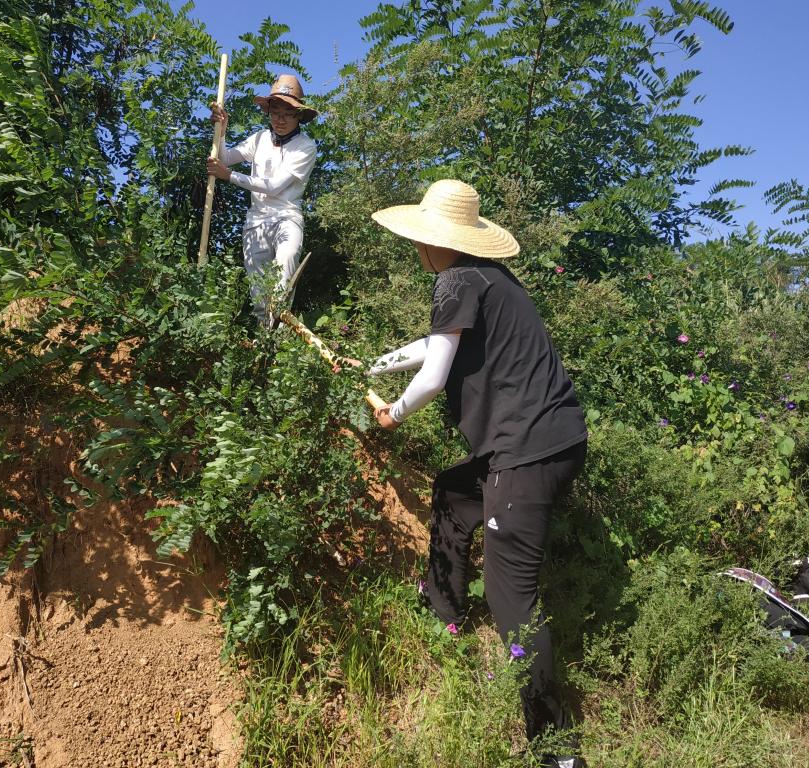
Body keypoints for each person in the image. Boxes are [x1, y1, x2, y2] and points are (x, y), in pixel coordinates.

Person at [368, 179, 589, 768]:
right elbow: (434, 345)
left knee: (510, 594)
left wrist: (393, 413)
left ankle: (557, 750)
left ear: (441, 240)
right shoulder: (487, 278)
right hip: (548, 441)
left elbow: (434, 376)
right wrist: (371, 366)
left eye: (422, 238)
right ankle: (443, 611)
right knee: (455, 492)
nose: (418, 247)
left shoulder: (457, 279)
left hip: (527, 452)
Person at [207, 74, 318, 325]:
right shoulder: (259, 139)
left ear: (299, 116)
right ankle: (263, 340)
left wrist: (229, 176)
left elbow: (274, 187)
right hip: (256, 221)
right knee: (258, 291)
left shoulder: (305, 147)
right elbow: (225, 158)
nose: (280, 119)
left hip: (287, 218)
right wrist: (221, 131)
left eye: (287, 114)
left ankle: (280, 336)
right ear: (268, 112)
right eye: (275, 112)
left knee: (285, 269)